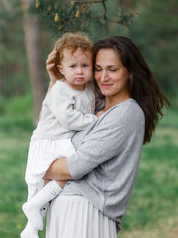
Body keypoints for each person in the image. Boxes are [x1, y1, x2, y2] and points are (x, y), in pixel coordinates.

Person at [43, 35, 169, 238]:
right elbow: (47, 129)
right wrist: (56, 82)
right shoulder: (95, 106)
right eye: (98, 69)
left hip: (85, 215)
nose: (103, 77)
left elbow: (75, 167)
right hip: (67, 211)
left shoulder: (126, 113)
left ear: (130, 73)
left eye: (112, 69)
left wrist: (39, 166)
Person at [21, 32, 97, 238]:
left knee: (51, 184)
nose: (79, 71)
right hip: (50, 140)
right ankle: (33, 206)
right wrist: (95, 120)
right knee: (65, 174)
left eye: (85, 65)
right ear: (61, 68)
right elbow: (69, 119)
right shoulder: (60, 89)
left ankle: (31, 228)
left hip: (62, 139)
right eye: (73, 66)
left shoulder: (88, 88)